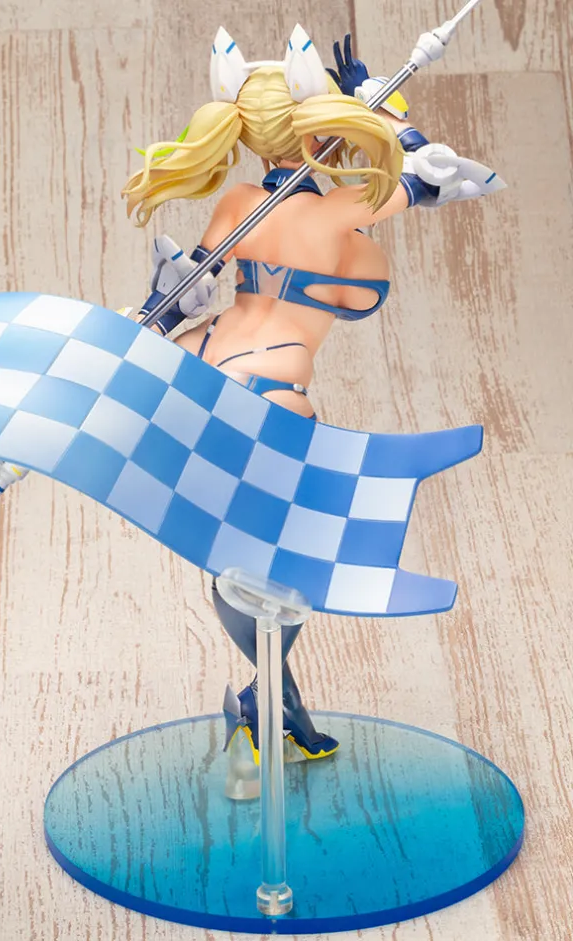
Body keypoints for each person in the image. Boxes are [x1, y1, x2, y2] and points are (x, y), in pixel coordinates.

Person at [122, 26, 505, 769]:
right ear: (316, 131)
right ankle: (266, 698)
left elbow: (184, 296)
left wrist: (147, 323)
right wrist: (378, 101)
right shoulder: (340, 210)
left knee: (237, 556)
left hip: (201, 366)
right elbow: (441, 170)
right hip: (271, 389)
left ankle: (271, 700)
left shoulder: (237, 202)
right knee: (289, 565)